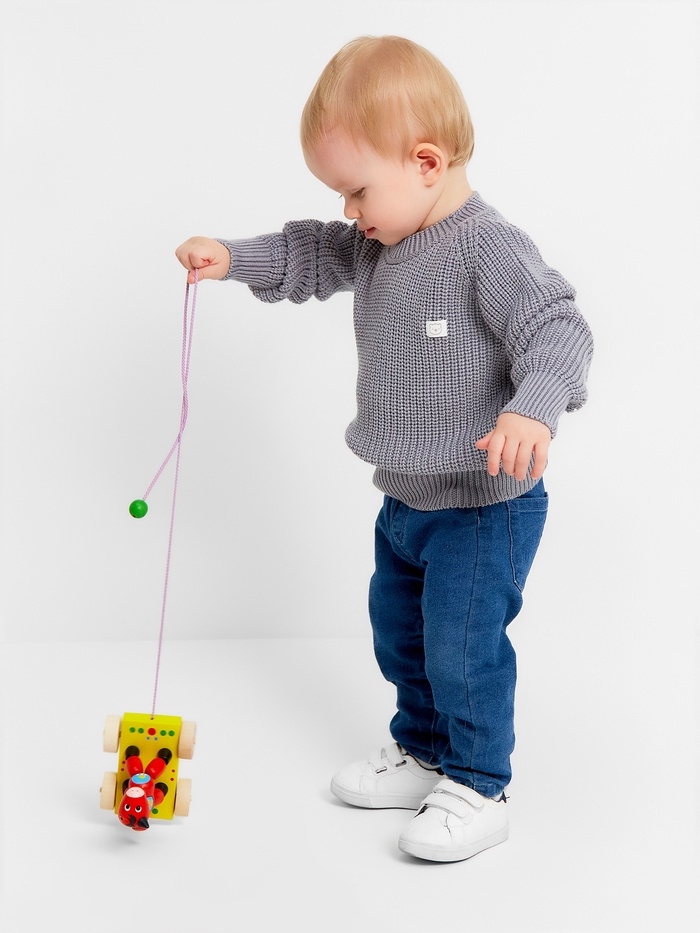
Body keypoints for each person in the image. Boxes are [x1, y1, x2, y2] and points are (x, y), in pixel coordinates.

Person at [175, 35, 593, 863]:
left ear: (426, 162)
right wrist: (231, 260)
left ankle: (478, 781)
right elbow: (307, 252)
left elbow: (558, 326)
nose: (348, 210)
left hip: (482, 505)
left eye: (357, 189)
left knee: (462, 647)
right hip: (406, 496)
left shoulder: (486, 246)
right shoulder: (378, 241)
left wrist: (533, 411)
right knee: (400, 632)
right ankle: (425, 748)